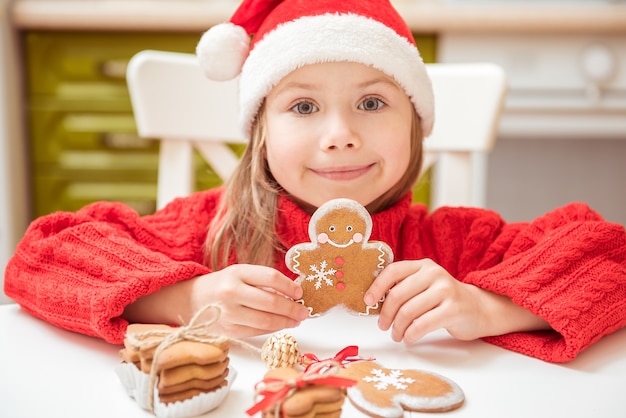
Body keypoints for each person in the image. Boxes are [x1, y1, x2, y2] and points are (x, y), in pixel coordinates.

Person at [4, 0, 626, 364]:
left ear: (416, 124)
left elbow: (611, 257)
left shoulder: (451, 246)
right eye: (303, 107)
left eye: (373, 103)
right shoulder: (209, 234)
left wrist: (487, 305)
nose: (339, 134)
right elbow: (41, 255)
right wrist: (183, 301)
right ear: (261, 133)